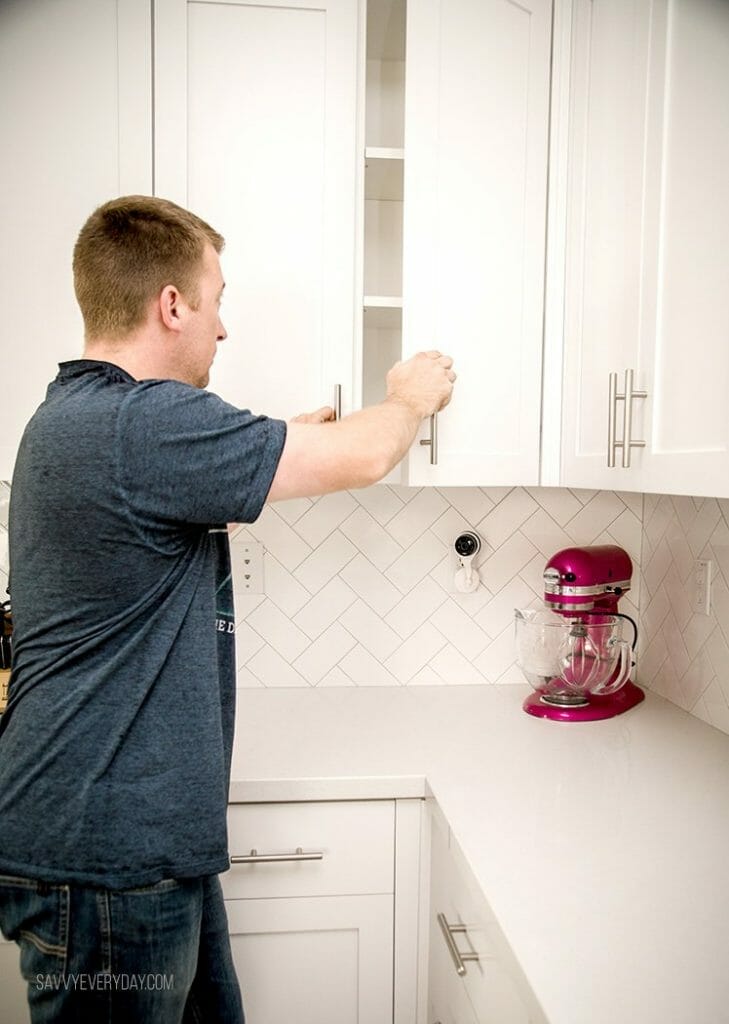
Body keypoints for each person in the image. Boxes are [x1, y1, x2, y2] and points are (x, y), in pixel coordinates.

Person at [0, 195, 455, 1023]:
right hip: (108, 861)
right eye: (216, 301)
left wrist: (277, 435)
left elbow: (176, 481)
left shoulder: (81, 418)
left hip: (131, 839)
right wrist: (408, 395)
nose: (222, 329)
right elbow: (366, 455)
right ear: (171, 305)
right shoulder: (145, 423)